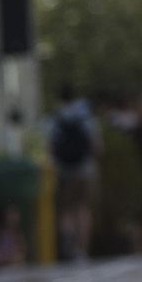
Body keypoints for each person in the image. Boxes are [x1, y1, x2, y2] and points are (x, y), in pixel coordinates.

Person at [49, 85, 100, 261]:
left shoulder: (56, 117)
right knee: (83, 209)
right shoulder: (85, 117)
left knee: (66, 209)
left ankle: (68, 246)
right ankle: (82, 249)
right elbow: (96, 145)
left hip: (64, 170)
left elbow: (50, 146)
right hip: (85, 169)